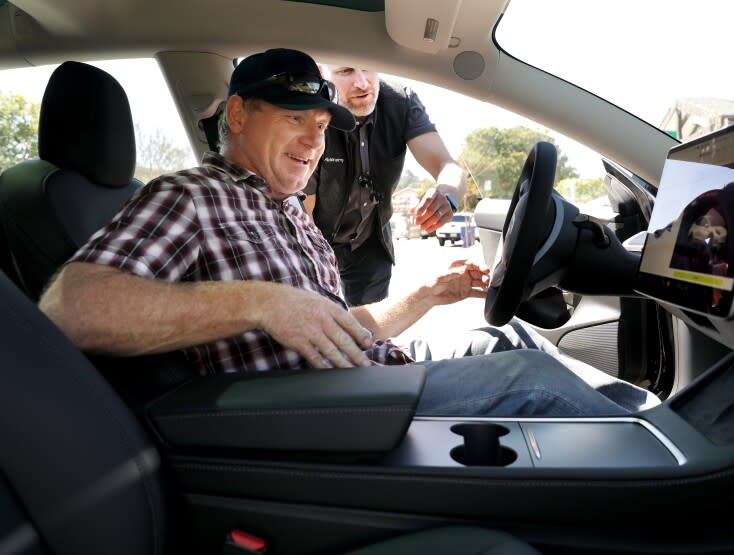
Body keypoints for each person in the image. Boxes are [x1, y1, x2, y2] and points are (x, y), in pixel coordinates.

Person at [38, 48, 659, 417]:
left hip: (368, 378)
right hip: (324, 414)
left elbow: (333, 327)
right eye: (293, 119)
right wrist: (260, 302)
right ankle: (686, 476)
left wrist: (428, 295)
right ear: (237, 114)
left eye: (320, 123)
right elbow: (71, 311)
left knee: (506, 336)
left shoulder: (288, 214)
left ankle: (656, 429)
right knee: (531, 380)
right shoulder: (191, 194)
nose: (315, 140)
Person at [302, 64, 467, 305]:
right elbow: (303, 213)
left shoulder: (400, 100)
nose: (362, 82)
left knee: (370, 335)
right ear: (323, 73)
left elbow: (447, 165)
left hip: (371, 245)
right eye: (346, 72)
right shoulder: (312, 110)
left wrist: (448, 195)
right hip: (316, 240)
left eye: (368, 68)